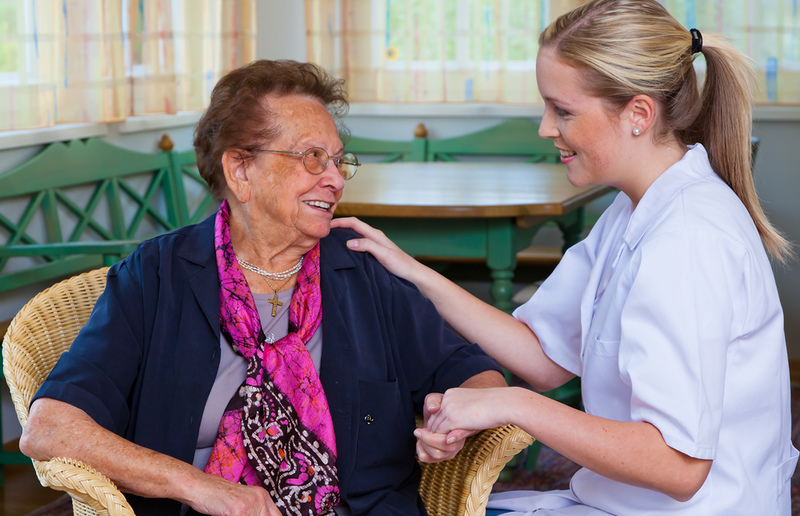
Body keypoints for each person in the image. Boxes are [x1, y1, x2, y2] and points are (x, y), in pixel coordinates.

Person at [332, 0, 798, 514]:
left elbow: (678, 466)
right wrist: (412, 270)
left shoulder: (686, 241)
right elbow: (544, 355)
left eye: (564, 110)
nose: (545, 128)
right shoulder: (636, 208)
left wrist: (510, 403)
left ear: (639, 114)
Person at [19, 59, 506, 516]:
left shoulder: (361, 267)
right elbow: (50, 426)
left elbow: (474, 373)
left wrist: (453, 418)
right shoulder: (157, 276)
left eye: (339, 160)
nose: (335, 179)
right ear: (240, 169)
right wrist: (202, 487)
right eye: (313, 159)